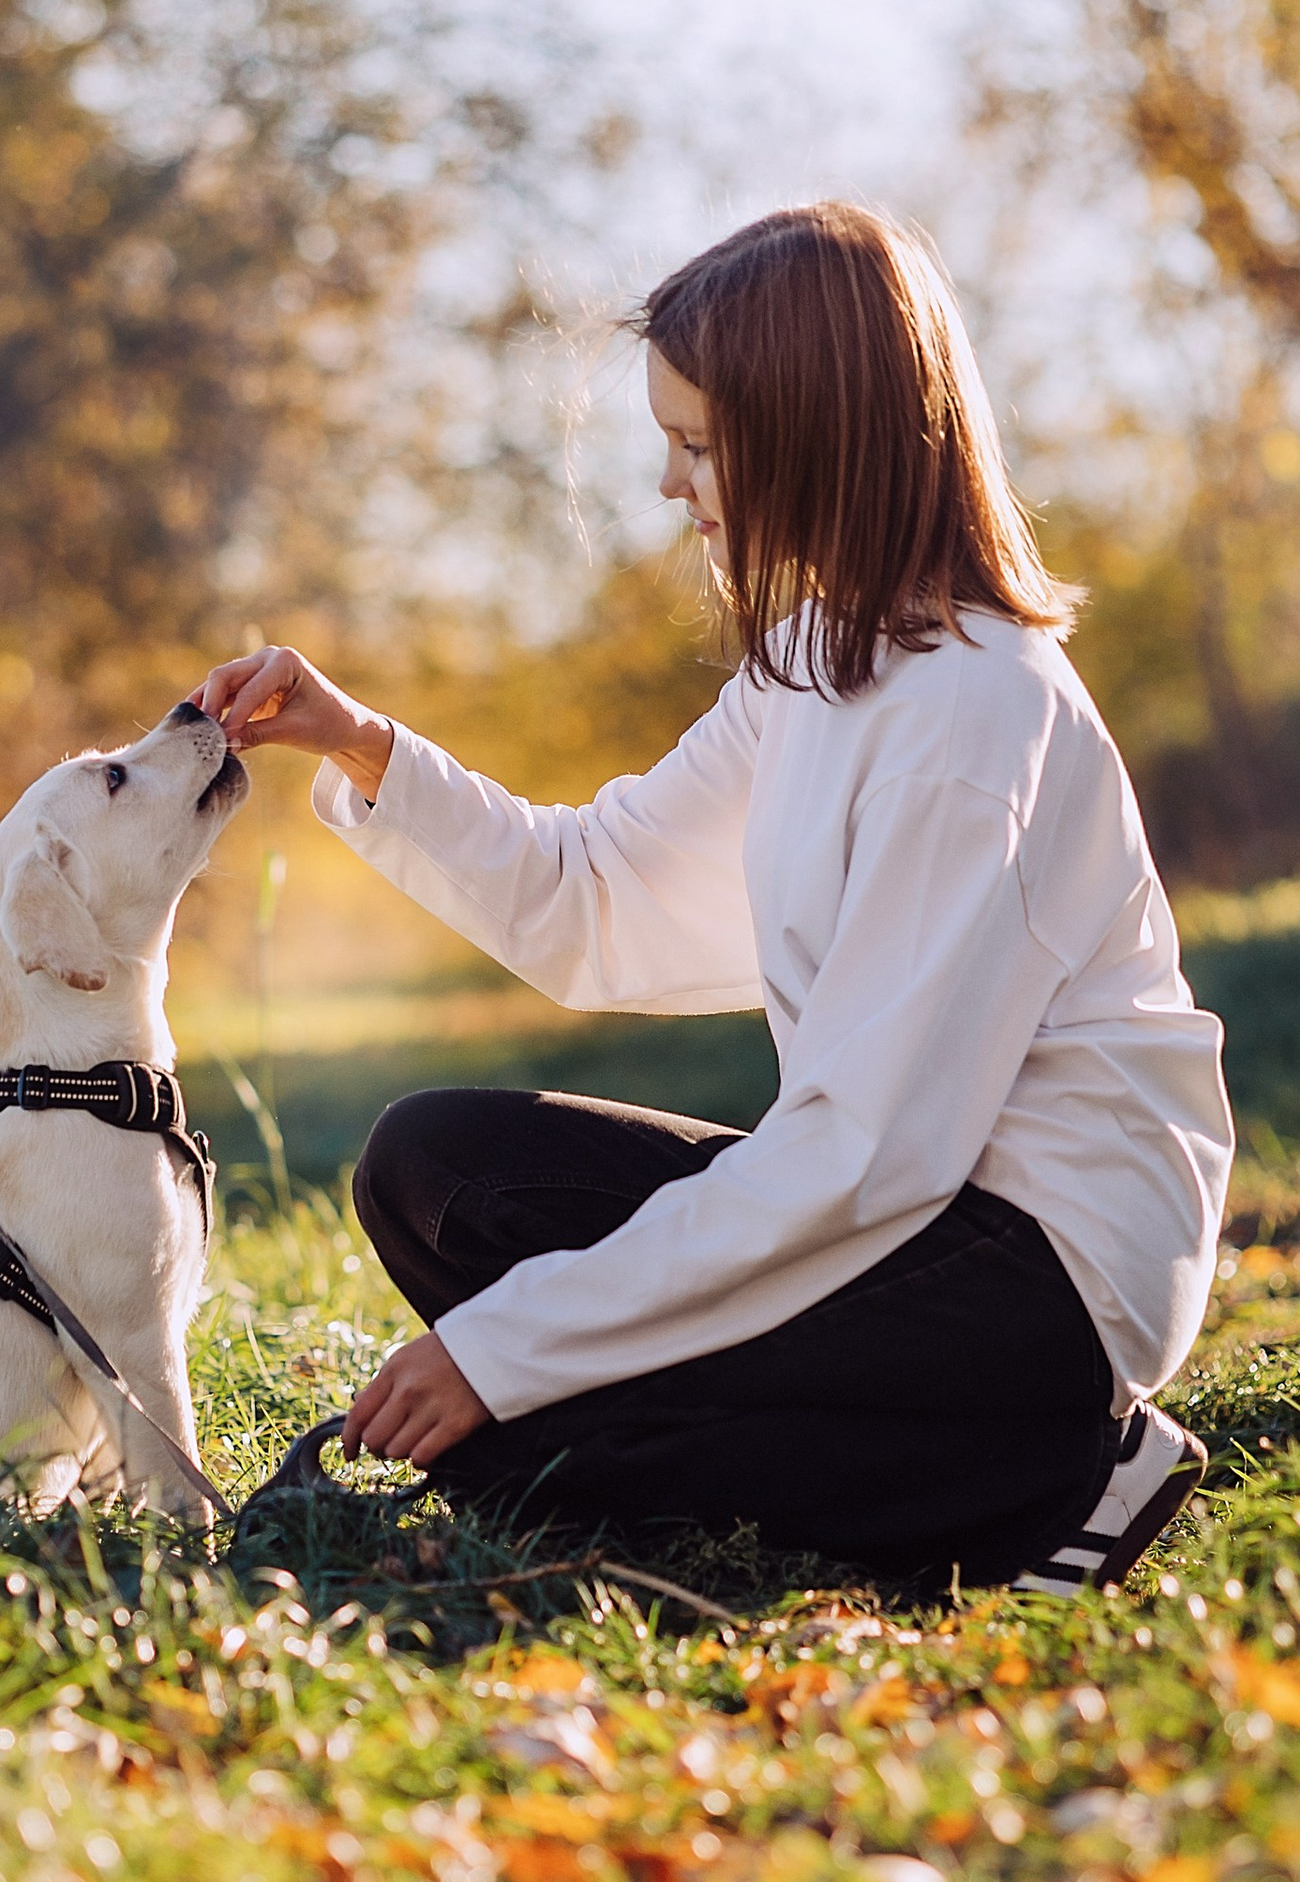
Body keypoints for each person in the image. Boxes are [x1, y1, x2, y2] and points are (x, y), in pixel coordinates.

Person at [199, 203, 1233, 1599]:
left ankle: (1052, 1480)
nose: (676, 488)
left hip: (1030, 1277)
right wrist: (357, 742)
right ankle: (872, 1473)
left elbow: (868, 1157)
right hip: (892, 1210)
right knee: (434, 1170)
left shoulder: (974, 717)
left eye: (698, 447)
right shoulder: (817, 664)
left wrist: (502, 1355)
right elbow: (593, 897)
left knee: (514, 1422)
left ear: (815, 431)